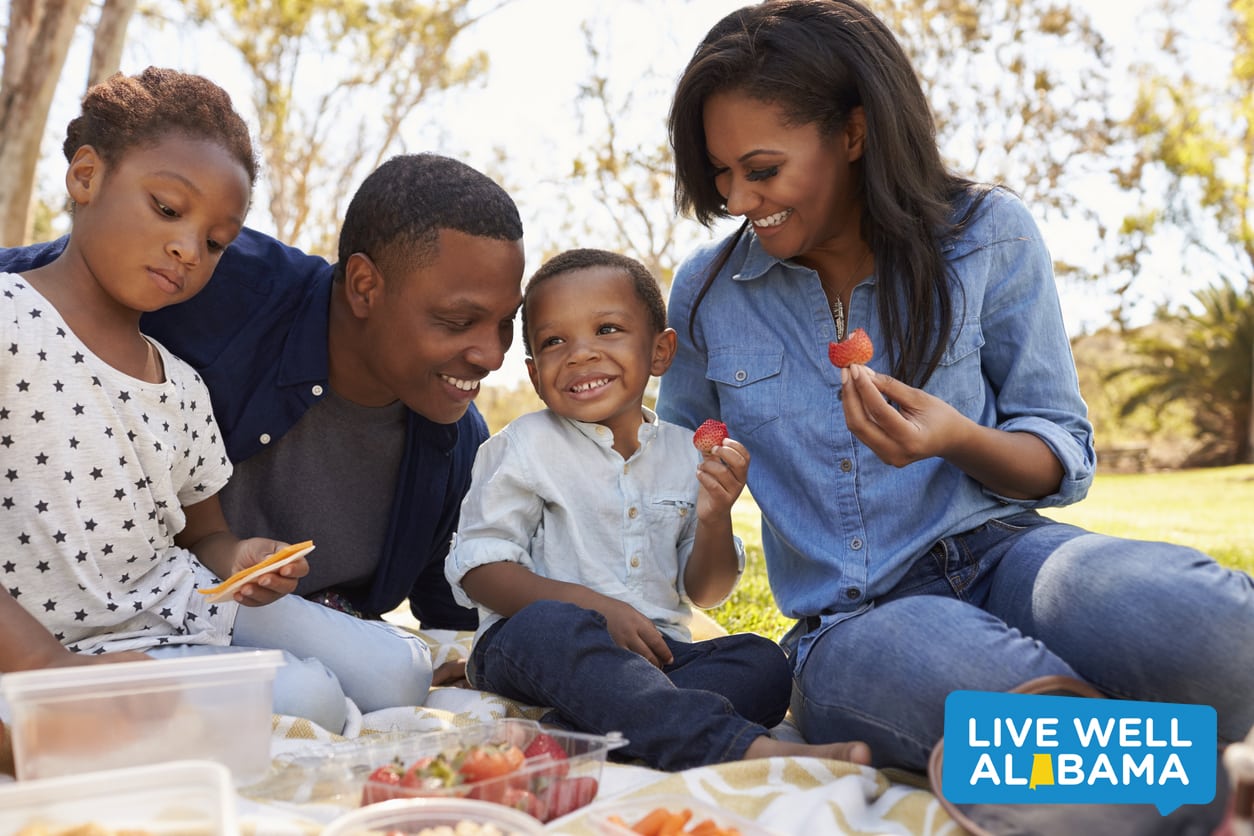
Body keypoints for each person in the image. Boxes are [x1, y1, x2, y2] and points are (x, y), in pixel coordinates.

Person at [658, 0, 1254, 774]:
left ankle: (1155, 775)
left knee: (1209, 626)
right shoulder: (708, 290)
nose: (738, 202)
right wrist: (705, 506)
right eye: (723, 176)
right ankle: (1195, 785)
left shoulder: (987, 234)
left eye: (763, 170)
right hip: (857, 622)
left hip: (1016, 559)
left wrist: (958, 440)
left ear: (854, 132)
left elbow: (1061, 452)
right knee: (1013, 715)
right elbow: (689, 544)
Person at [0, 67, 441, 735]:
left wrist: (238, 559)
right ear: (86, 177)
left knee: (401, 673)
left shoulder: (179, 383)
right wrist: (39, 664)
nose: (186, 250)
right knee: (308, 702)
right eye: (168, 209)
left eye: (214, 243)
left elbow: (202, 533)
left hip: (179, 602)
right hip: (49, 637)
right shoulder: (9, 320)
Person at [0, 150, 526, 646]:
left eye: (506, 323)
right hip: (103, 613)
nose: (491, 355)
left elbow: (453, 613)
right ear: (365, 286)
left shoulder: (457, 443)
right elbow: (44, 285)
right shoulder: (214, 281)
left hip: (272, 646)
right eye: (459, 322)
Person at [445, 248, 871, 770]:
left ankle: (573, 732)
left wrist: (715, 517)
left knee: (763, 664)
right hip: (535, 646)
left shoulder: (685, 452)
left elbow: (705, 591)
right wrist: (593, 608)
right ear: (535, 374)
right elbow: (482, 571)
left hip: (658, 655)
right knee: (548, 627)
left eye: (607, 329)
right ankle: (740, 747)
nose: (580, 354)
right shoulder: (524, 446)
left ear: (660, 352)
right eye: (555, 341)